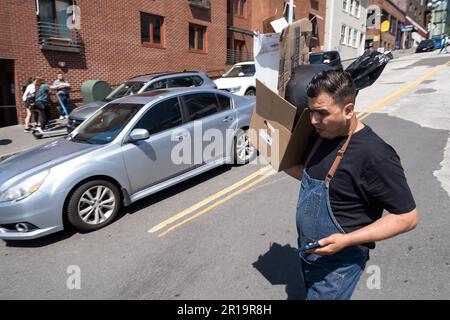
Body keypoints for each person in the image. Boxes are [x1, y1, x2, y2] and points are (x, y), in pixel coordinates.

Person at [284, 70, 419, 300]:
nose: (313, 121)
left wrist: (346, 240)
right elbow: (311, 178)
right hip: (308, 252)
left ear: (348, 109)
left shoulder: (375, 155)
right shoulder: (320, 135)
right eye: (311, 111)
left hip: (338, 266)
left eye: (321, 113)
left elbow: (408, 217)